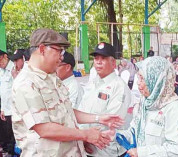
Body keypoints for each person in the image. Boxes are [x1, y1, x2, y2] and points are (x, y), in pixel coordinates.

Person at [11, 29, 123, 157]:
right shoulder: (26, 83)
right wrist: (85, 135)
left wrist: (99, 118)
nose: (62, 56)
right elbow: (44, 128)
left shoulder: (51, 77)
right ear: (42, 49)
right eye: (59, 51)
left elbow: (66, 111)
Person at [116, 56, 178, 157]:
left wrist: (142, 152)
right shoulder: (145, 103)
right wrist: (115, 135)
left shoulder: (174, 109)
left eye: (143, 79)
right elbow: (134, 132)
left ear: (157, 81)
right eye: (138, 77)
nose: (138, 83)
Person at [78, 42, 131, 157]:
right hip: (87, 147)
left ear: (113, 63)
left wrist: (87, 138)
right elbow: (81, 110)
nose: (98, 62)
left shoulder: (119, 87)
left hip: (106, 150)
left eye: (103, 58)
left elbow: (112, 122)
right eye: (96, 58)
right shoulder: (92, 83)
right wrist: (83, 136)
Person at [0, 49, 16, 156]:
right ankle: (6, 150)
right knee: (5, 133)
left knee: (12, 135)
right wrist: (2, 109)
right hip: (5, 108)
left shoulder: (14, 69)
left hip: (13, 108)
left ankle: (11, 152)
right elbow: (3, 90)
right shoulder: (1, 71)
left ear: (5, 56)